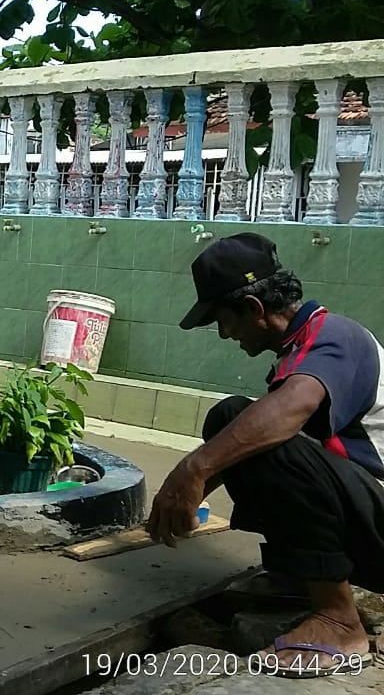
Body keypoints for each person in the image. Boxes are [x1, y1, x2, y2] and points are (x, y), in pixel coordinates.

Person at [149, 232, 384, 678]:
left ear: (255, 309)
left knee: (245, 421)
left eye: (224, 320)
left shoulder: (334, 336)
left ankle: (338, 620)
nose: (224, 334)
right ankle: (301, 579)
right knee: (236, 425)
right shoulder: (300, 350)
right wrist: (181, 493)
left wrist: (192, 470)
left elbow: (286, 415)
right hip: (370, 520)